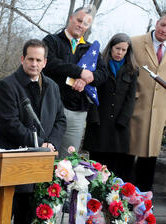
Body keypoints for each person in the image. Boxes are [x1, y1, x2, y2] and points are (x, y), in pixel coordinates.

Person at [0, 39, 66, 224]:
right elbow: (9, 124)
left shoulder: (53, 87)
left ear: (45, 62)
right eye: (30, 59)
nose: (34, 64)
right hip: (14, 165)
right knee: (6, 220)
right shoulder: (7, 86)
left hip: (41, 165)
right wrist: (39, 144)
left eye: (39, 60)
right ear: (22, 59)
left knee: (28, 222)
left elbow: (60, 120)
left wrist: (51, 144)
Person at [43, 6, 108, 159]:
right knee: (44, 153)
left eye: (85, 24)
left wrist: (86, 80)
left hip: (77, 111)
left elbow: (103, 74)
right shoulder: (51, 41)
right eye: (79, 20)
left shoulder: (91, 49)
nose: (81, 25)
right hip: (50, 106)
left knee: (68, 159)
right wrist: (79, 72)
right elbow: (50, 63)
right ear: (71, 18)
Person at [83, 33, 138, 181]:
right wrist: (93, 119)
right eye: (117, 48)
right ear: (111, 47)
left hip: (119, 129)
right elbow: (92, 93)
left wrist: (123, 120)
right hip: (99, 125)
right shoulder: (100, 65)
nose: (120, 52)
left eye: (124, 50)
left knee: (114, 170)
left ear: (128, 51)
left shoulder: (132, 70)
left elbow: (130, 99)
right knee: (96, 169)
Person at [124, 12, 166, 191]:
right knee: (126, 158)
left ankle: (144, 207)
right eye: (163, 25)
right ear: (157, 23)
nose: (165, 30)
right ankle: (118, 205)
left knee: (149, 159)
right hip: (134, 109)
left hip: (159, 112)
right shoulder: (135, 42)